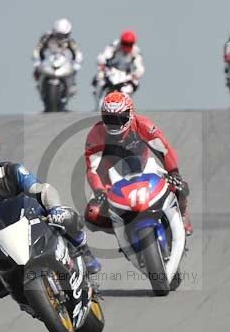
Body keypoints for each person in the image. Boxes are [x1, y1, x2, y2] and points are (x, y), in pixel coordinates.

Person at [0, 135, 101, 306]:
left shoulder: (12, 171)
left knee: (67, 217)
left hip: (31, 221)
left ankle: (83, 251)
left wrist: (54, 209)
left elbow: (41, 190)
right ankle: (25, 300)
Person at [83, 91, 193, 236]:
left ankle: (183, 217)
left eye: (119, 119)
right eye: (109, 119)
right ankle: (122, 231)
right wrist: (99, 190)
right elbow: (93, 167)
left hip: (146, 168)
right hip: (112, 177)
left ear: (130, 114)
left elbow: (164, 150)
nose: (114, 124)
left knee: (179, 187)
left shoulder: (143, 125)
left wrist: (174, 173)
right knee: (92, 214)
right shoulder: (96, 133)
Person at [32, 18, 83, 95]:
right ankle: (39, 84)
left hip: (62, 62)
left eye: (65, 35)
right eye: (60, 35)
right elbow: (38, 49)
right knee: (37, 70)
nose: (62, 38)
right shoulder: (47, 37)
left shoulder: (70, 41)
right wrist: (37, 61)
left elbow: (77, 53)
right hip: (48, 61)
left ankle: (71, 86)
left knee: (72, 71)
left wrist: (76, 64)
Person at [92, 30, 145, 95]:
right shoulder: (115, 45)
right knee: (99, 78)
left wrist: (135, 75)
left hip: (125, 76)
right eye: (125, 43)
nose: (126, 46)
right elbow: (103, 55)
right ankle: (100, 101)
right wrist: (102, 64)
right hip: (110, 72)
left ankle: (124, 102)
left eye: (129, 44)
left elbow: (140, 68)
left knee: (132, 86)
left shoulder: (135, 51)